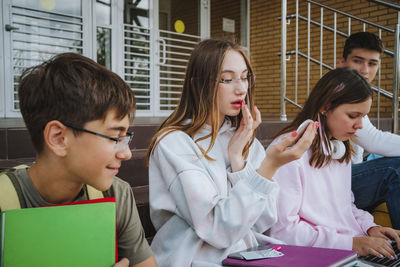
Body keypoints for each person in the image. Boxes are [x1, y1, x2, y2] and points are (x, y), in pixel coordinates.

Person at [146, 39, 318, 266]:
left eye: (245, 76)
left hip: (245, 255)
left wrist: (239, 164)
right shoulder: (174, 143)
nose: (241, 88)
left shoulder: (244, 140)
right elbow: (218, 230)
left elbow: (263, 220)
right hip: (190, 259)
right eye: (227, 79)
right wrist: (269, 167)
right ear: (198, 84)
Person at [1, 53, 157, 267]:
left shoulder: (116, 194)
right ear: (59, 138)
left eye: (126, 137)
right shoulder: (5, 201)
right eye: (114, 137)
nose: (127, 153)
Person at [269, 67, 400, 258]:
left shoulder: (338, 148)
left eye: (363, 116)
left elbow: (346, 208)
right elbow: (283, 232)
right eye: (353, 116)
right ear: (324, 107)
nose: (360, 125)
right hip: (319, 255)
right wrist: (350, 243)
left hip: (346, 249)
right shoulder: (289, 153)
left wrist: (370, 227)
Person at [338, 32, 400, 229]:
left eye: (372, 63)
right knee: (395, 168)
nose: (365, 70)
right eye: (358, 61)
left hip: (347, 175)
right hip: (332, 184)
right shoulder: (339, 92)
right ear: (342, 62)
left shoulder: (355, 92)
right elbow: (374, 140)